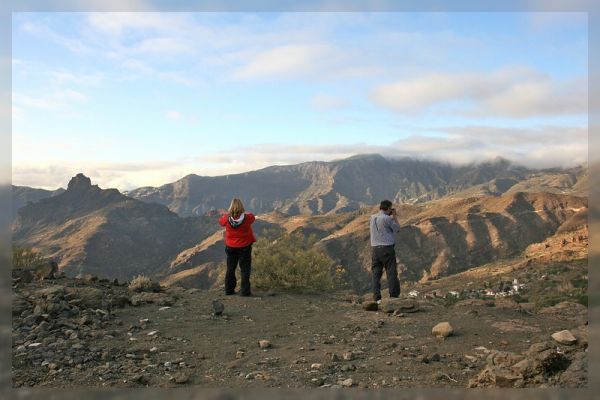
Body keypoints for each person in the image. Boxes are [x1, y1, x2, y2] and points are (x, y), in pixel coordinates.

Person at [219, 198, 256, 296]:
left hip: (231, 247)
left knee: (230, 268)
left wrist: (228, 214)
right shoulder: (247, 218)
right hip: (244, 247)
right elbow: (253, 217)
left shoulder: (227, 218)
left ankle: (229, 290)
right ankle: (245, 291)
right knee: (245, 269)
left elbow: (221, 222)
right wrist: (244, 212)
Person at [369, 199, 401, 302]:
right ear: (388, 208)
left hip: (375, 250)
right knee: (391, 273)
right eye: (390, 208)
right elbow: (397, 229)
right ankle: (393, 297)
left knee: (376, 274)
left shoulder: (372, 217)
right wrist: (394, 216)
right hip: (387, 249)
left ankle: (376, 298)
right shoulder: (387, 219)